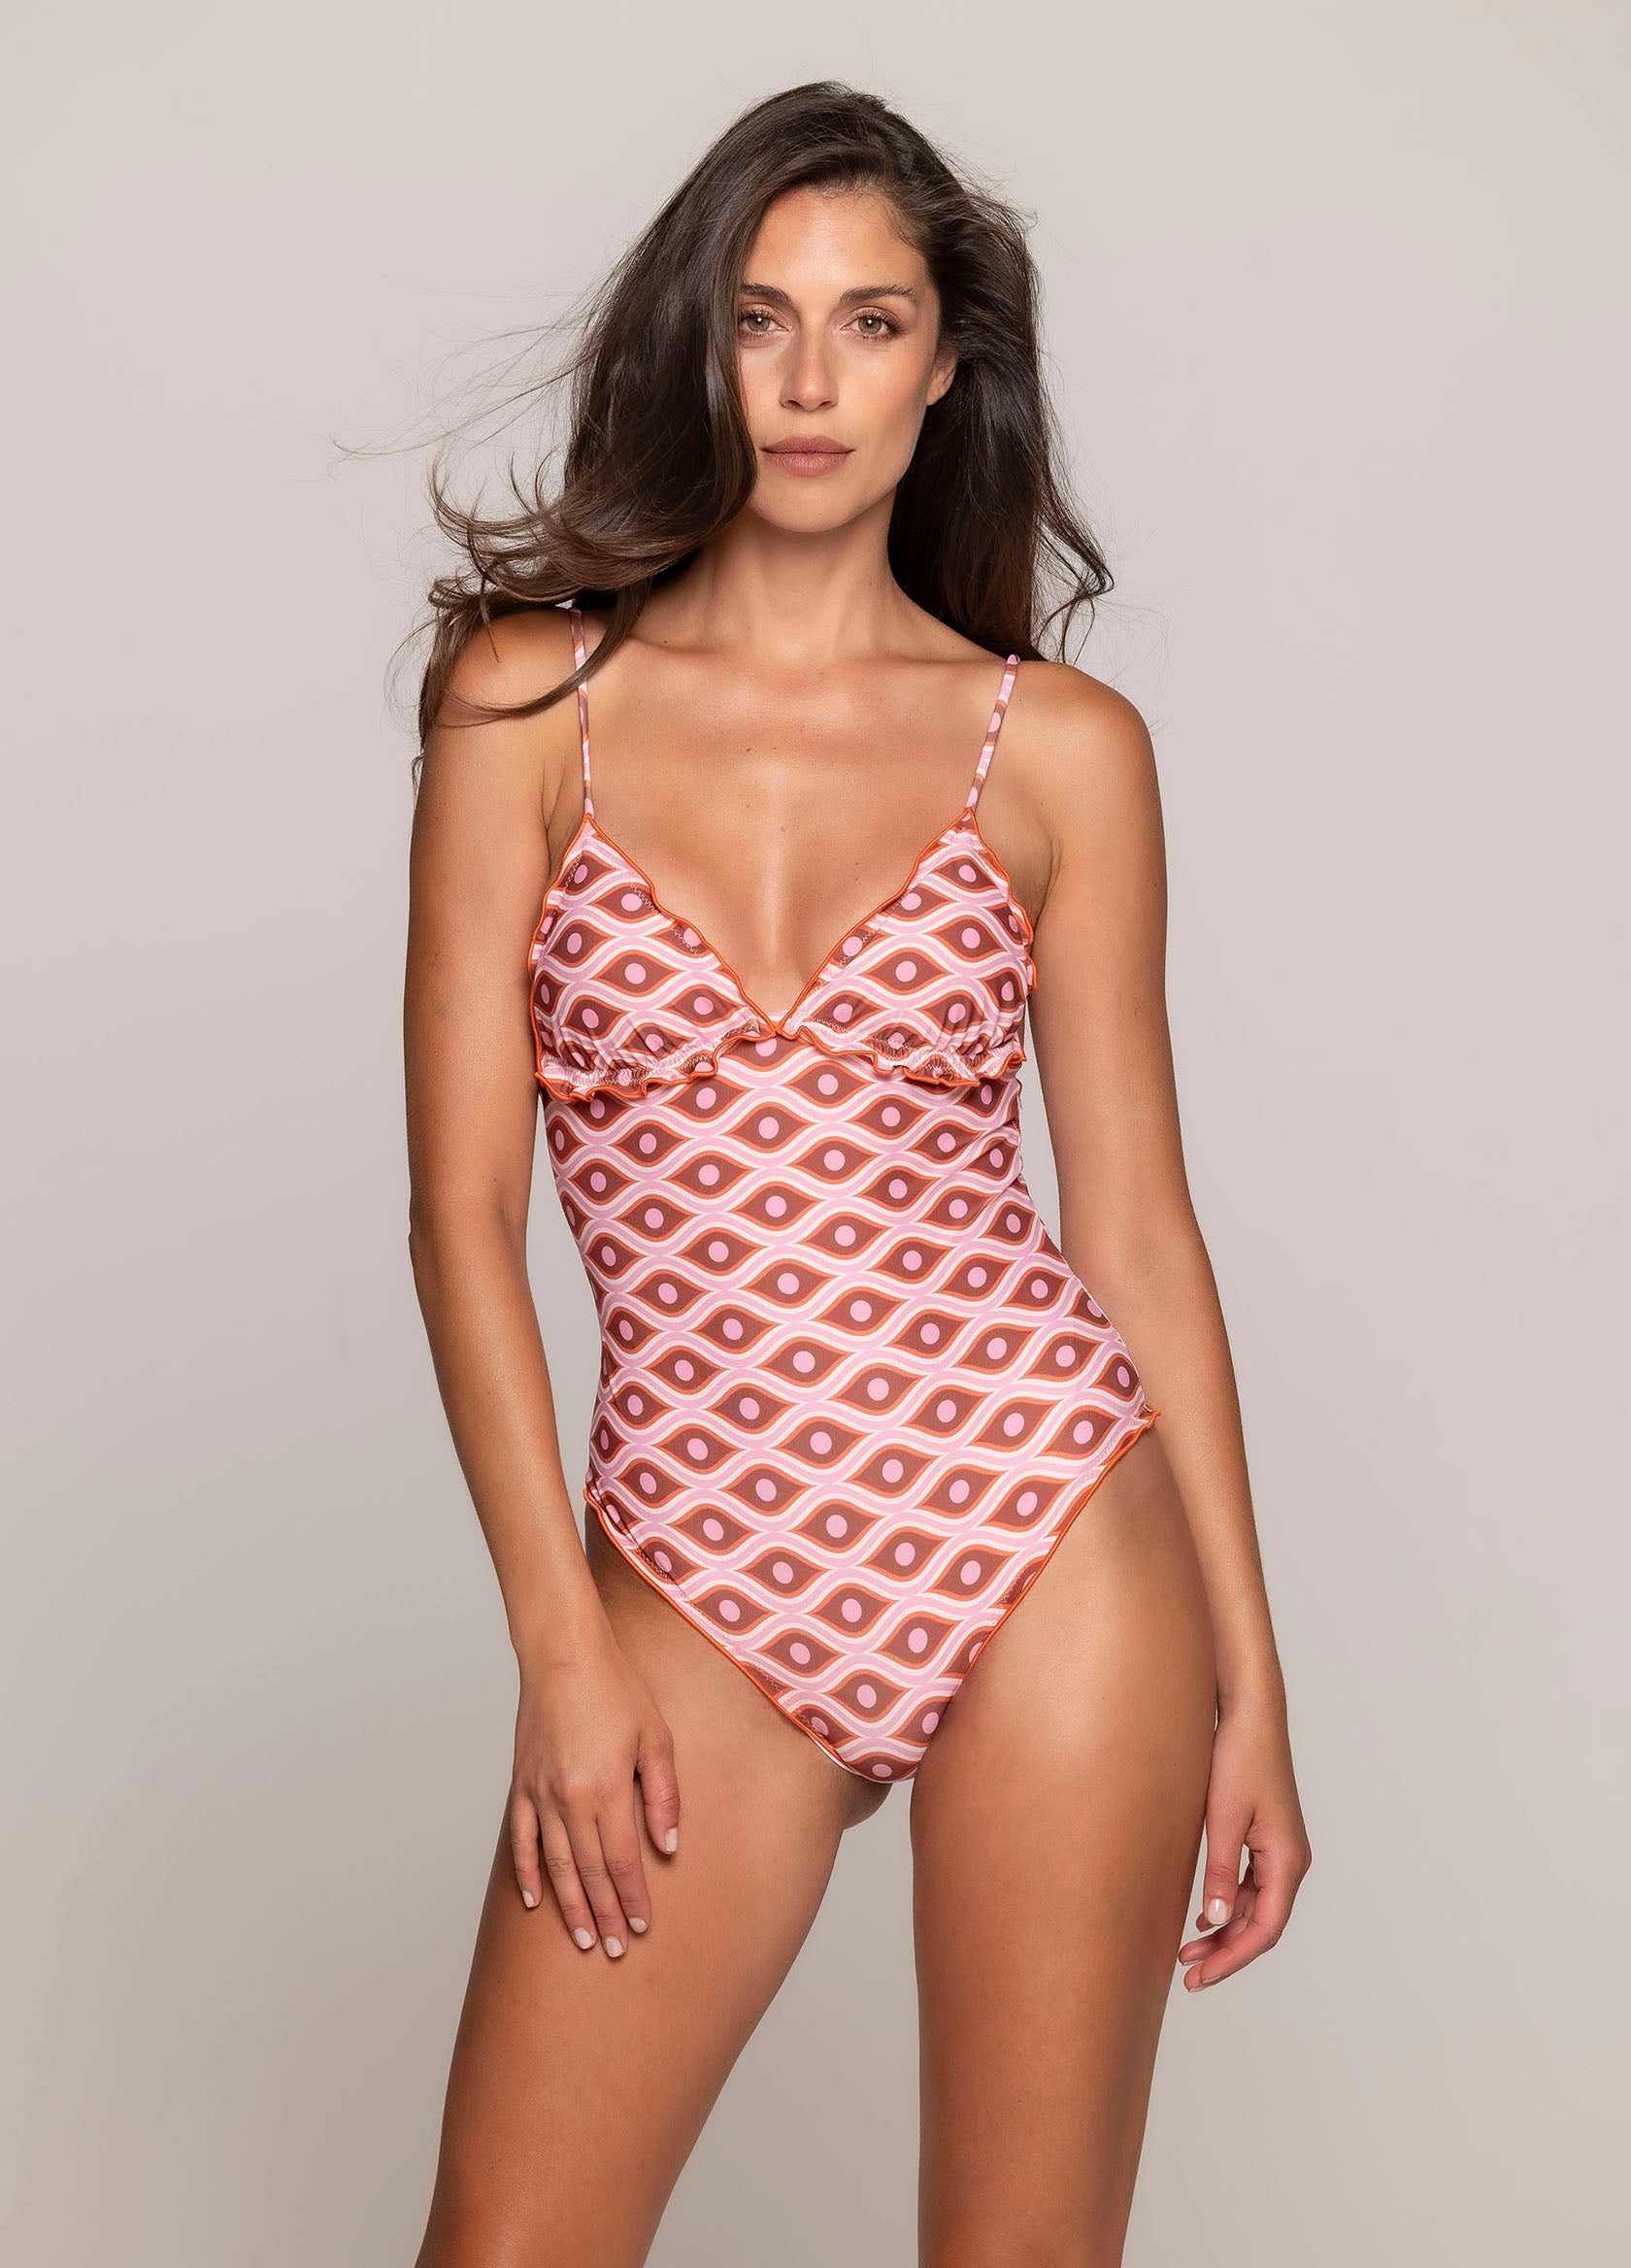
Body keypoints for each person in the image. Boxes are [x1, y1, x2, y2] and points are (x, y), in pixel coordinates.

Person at [402, 79, 1310, 2268]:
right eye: (760, 318)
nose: (811, 381)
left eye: (872, 322)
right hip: (697, 1559)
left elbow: (1136, 1231)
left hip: (1051, 1525)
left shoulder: (1061, 752)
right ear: (694, 350)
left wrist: (1253, 1681)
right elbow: (459, 1220)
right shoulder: (525, 709)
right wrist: (561, 1647)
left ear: (945, 368)